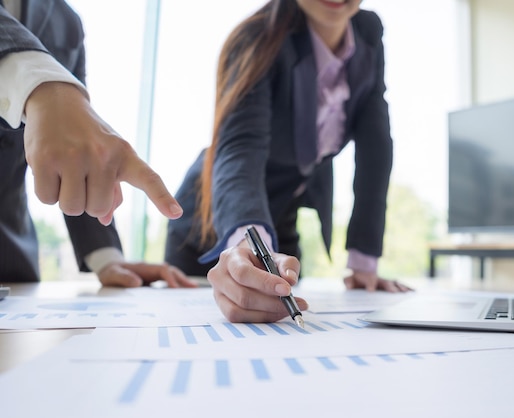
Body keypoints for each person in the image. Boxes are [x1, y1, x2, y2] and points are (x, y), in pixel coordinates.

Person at [165, 0, 411, 323]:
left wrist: (364, 263)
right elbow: (241, 147)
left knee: (279, 316)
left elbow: (375, 143)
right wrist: (250, 246)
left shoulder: (367, 32)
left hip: (283, 217)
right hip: (211, 220)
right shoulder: (257, 36)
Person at [0, 0, 195, 288]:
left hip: (11, 264)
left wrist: (108, 258)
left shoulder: (68, 23)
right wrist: (43, 85)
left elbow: (76, 153)